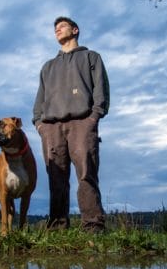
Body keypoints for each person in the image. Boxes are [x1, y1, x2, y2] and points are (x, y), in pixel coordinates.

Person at [32, 16, 109, 232]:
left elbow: (101, 90)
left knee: (86, 173)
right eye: (55, 28)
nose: (57, 29)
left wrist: (94, 117)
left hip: (82, 122)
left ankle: (93, 225)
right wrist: (40, 124)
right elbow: (40, 99)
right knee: (56, 177)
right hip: (51, 127)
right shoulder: (48, 66)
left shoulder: (91, 57)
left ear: (75, 30)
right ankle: (57, 227)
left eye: (62, 26)